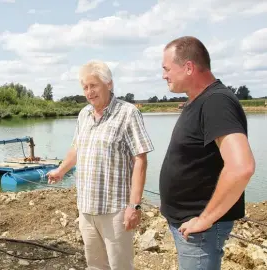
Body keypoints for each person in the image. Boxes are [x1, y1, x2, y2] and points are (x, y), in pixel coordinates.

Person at [159, 36, 256, 270]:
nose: (163, 75)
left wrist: (205, 219)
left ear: (189, 67)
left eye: (166, 69)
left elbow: (241, 167)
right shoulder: (199, 101)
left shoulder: (216, 102)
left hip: (201, 232)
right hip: (191, 228)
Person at [47, 60, 154, 270]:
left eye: (93, 85)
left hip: (115, 210)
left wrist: (134, 205)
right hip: (86, 208)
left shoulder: (128, 113)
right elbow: (77, 149)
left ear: (109, 84)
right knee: (95, 266)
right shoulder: (83, 114)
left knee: (120, 266)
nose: (89, 92)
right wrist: (60, 170)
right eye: (85, 87)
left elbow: (140, 160)